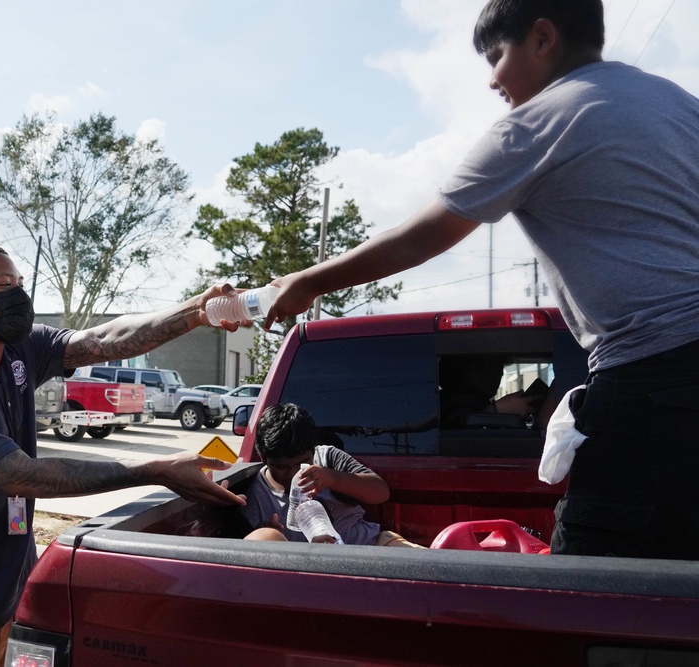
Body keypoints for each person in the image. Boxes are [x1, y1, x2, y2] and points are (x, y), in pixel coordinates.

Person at [260, 0, 699, 560]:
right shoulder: (679, 104)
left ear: (543, 38)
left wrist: (308, 281)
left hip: (653, 377)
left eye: (496, 56)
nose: (491, 79)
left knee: (592, 586)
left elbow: (418, 237)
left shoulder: (540, 121)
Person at [0, 243, 245, 666]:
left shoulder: (16, 350)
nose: (19, 296)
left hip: (14, 578)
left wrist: (196, 310)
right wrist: (156, 470)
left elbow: (103, 340)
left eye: (20, 284)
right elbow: (26, 477)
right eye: (4, 285)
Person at [240, 403, 423, 548]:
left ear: (313, 451)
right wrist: (264, 531)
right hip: (313, 571)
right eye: (281, 467)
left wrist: (332, 478)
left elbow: (380, 492)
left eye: (302, 463)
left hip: (369, 547)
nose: (295, 473)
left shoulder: (327, 457)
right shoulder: (257, 495)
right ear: (264, 458)